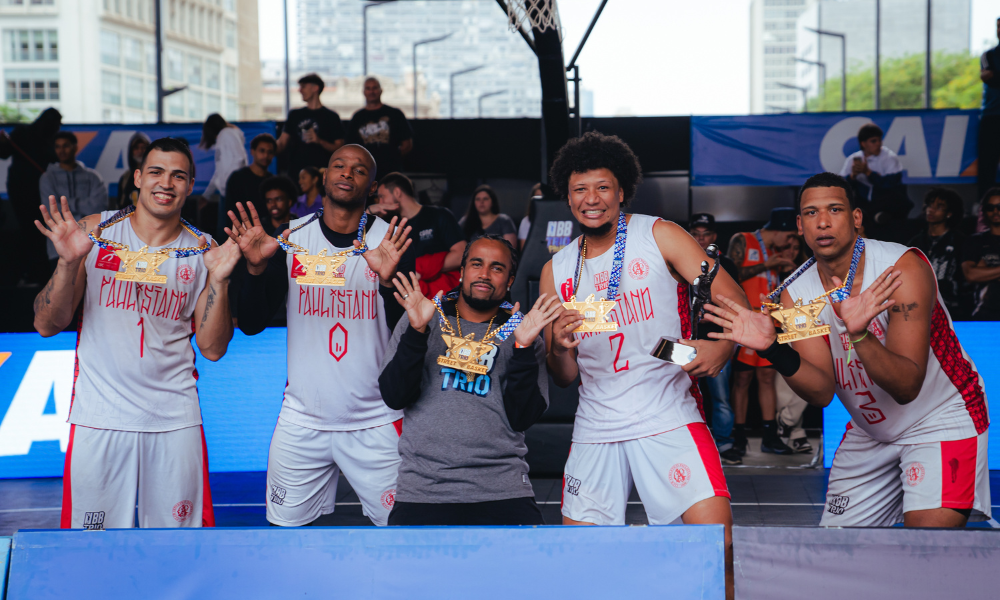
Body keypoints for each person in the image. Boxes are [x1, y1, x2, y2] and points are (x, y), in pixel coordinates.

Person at [707, 171, 991, 529]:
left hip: (939, 418)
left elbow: (906, 387)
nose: (823, 222)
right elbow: (822, 390)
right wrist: (773, 347)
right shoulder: (796, 294)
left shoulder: (899, 271)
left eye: (835, 210)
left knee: (928, 542)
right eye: (811, 213)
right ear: (799, 224)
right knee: (841, 551)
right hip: (871, 430)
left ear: (856, 218)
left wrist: (858, 335)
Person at [541, 132, 747, 599]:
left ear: (621, 191)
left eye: (602, 187)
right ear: (567, 196)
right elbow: (565, 374)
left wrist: (721, 346)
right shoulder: (558, 269)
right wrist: (559, 347)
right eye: (580, 190)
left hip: (666, 412)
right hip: (597, 423)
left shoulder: (659, 234)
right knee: (584, 564)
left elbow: (730, 294)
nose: (591, 200)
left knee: (718, 547)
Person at [32, 137, 243, 529]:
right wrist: (67, 264)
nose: (167, 183)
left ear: (191, 184)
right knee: (91, 550)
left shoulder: (202, 250)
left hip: (175, 420)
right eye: (157, 172)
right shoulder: (94, 233)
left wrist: (220, 280)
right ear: (139, 177)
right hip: (100, 417)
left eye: (179, 175)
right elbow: (47, 324)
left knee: (180, 550)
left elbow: (213, 349)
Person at [229, 144, 412, 527]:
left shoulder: (389, 242)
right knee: (285, 539)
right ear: (324, 177)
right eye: (339, 166)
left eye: (359, 170)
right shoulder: (293, 237)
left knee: (401, 535)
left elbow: (408, 331)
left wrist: (387, 280)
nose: (347, 173)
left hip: (376, 420)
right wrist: (255, 269)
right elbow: (251, 322)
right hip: (302, 419)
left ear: (373, 186)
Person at [378, 236, 559, 525]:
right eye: (477, 264)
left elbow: (522, 417)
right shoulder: (423, 317)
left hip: (503, 490)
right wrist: (416, 331)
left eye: (497, 268)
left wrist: (523, 348)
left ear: (510, 280)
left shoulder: (523, 330)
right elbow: (394, 396)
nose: (485, 274)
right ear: (462, 271)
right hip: (424, 490)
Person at [727, 208, 798, 456]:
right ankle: (739, 439)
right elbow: (729, 274)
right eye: (789, 236)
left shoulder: (779, 251)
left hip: (771, 321)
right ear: (779, 229)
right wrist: (765, 265)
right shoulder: (743, 239)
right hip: (746, 321)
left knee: (767, 378)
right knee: (742, 380)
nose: (790, 242)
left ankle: (770, 437)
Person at [688, 213, 742, 465]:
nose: (700, 239)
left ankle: (724, 443)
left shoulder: (726, 264)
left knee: (720, 396)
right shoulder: (677, 262)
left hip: (719, 336)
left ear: (714, 237)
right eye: (696, 234)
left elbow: (736, 301)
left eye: (705, 234)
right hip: (685, 338)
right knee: (682, 393)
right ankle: (693, 444)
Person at [369, 172, 465, 299]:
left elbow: (461, 255)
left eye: (382, 196)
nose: (380, 202)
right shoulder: (389, 225)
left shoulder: (439, 215)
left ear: (397, 193)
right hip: (406, 297)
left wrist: (420, 269)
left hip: (442, 297)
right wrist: (369, 212)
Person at [0, 107, 61, 284]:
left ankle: (43, 271)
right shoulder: (23, 132)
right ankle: (30, 272)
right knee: (29, 229)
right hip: (21, 190)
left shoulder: (52, 140)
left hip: (44, 191)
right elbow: (3, 154)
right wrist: (2, 143)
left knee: (43, 231)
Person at [38, 132, 108, 271]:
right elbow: (52, 212)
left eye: (66, 146)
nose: (61, 150)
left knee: (89, 291)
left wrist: (67, 204)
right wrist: (84, 204)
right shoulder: (47, 177)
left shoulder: (92, 177)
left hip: (90, 245)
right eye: (57, 147)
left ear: (75, 147)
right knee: (62, 291)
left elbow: (99, 208)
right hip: (58, 248)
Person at [772, 234, 814, 455]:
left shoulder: (808, 270)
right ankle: (796, 434)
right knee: (783, 388)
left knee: (805, 381)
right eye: (787, 247)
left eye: (795, 248)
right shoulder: (770, 271)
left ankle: (787, 422)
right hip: (775, 331)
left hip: (804, 329)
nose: (791, 252)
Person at [839, 123, 911, 242]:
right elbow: (840, 186)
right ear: (863, 143)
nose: (878, 144)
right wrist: (852, 176)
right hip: (864, 204)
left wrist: (868, 173)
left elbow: (891, 184)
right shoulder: (853, 159)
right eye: (873, 141)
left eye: (879, 140)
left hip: (887, 203)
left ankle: (881, 217)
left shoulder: (889, 158)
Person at [908, 188, 967, 320]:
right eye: (930, 205)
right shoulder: (916, 241)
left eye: (939, 207)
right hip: (921, 305)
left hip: (952, 307)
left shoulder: (960, 241)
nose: (931, 210)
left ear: (949, 213)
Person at [277, 73, 346, 181]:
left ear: (315, 88)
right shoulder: (295, 114)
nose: (300, 90)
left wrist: (319, 141)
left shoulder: (331, 117)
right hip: (297, 175)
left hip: (321, 175)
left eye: (303, 87)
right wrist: (267, 149)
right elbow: (282, 142)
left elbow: (339, 147)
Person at [347, 77, 413, 177]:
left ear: (381, 91)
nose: (371, 91)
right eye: (368, 88)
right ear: (364, 92)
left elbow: (407, 144)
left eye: (374, 88)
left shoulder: (395, 114)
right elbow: (349, 147)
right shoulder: (357, 117)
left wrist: (392, 159)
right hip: (365, 172)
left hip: (391, 172)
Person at [223, 133, 276, 229]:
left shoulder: (274, 181)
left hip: (267, 234)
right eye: (262, 151)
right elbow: (230, 211)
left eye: (270, 152)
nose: (266, 155)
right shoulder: (237, 178)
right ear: (252, 151)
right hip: (242, 233)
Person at [962, 188, 1000, 320]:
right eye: (990, 207)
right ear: (984, 211)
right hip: (984, 314)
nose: (995, 211)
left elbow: (977, 273)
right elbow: (971, 275)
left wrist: (986, 271)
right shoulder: (975, 241)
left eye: (999, 207)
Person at [979, 17, 1000, 200]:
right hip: (992, 116)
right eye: (998, 26)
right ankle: (983, 206)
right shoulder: (989, 55)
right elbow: (988, 76)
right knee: (987, 164)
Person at [115, 132, 150, 209]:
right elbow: (120, 206)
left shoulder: (157, 175)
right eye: (136, 148)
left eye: (143, 147)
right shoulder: (125, 178)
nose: (140, 151)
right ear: (131, 151)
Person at [518, 183, 543, 251]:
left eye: (543, 196)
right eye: (538, 197)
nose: (541, 200)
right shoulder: (526, 221)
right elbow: (524, 249)